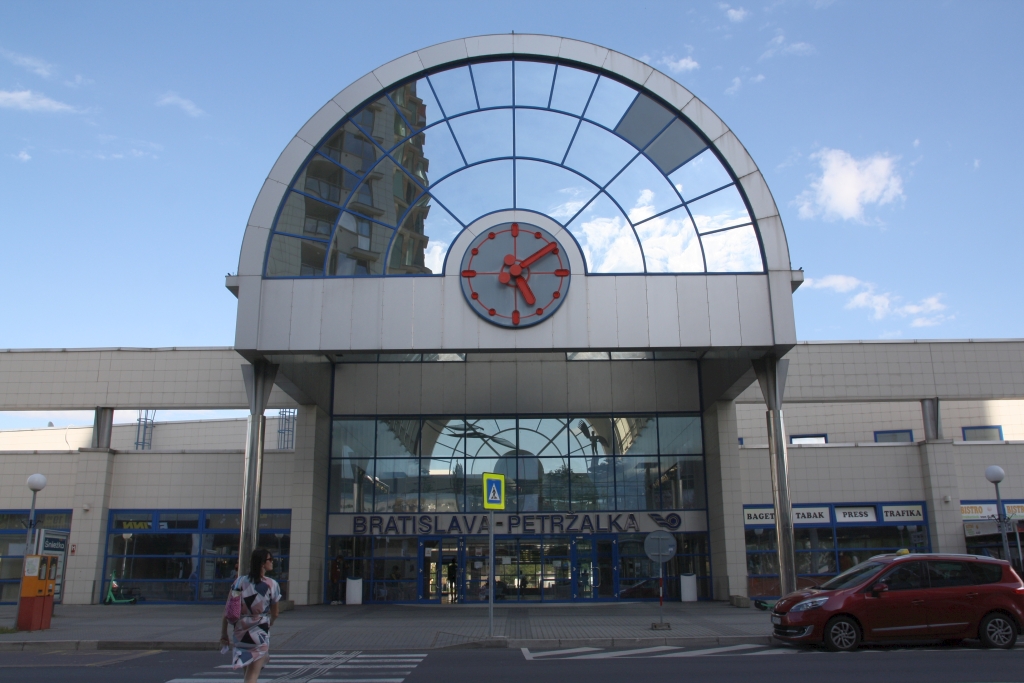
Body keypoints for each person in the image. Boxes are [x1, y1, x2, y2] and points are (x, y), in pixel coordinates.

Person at [220, 548, 281, 683]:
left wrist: (224, 633)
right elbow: (275, 612)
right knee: (252, 675)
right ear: (262, 563)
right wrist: (271, 621)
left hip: (240, 632)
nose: (272, 562)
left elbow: (228, 609)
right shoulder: (271, 584)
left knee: (247, 672)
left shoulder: (239, 582)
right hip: (259, 631)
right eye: (270, 559)